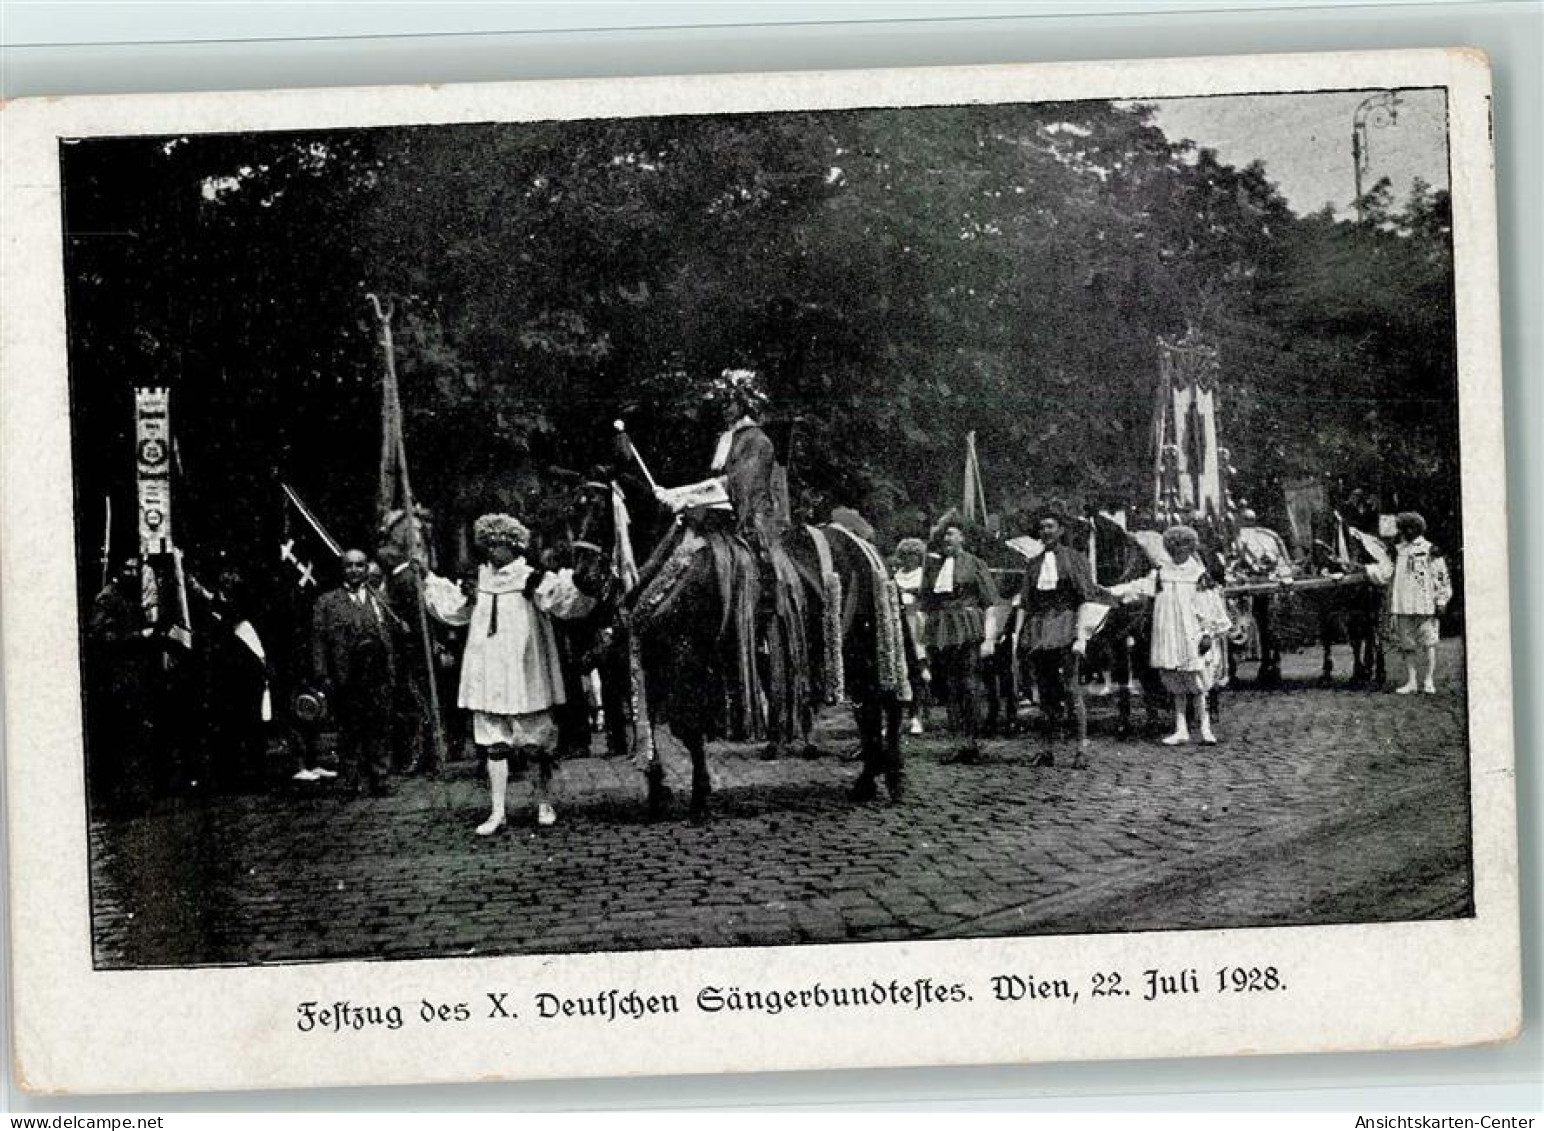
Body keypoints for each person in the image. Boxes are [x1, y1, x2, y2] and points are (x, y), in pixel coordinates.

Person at [424, 513, 596, 834]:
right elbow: (453, 610)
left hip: (525, 670)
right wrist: (429, 584)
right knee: (494, 742)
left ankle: (544, 802)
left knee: (536, 741)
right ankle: (497, 810)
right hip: (488, 670)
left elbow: (567, 603)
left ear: (516, 547)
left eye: (500, 544)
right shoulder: (476, 580)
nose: (493, 550)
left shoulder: (532, 579)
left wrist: (583, 584)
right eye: (488, 544)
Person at [1116, 525, 1233, 745]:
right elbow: (1138, 588)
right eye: (1174, 546)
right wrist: (1111, 591)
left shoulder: (1198, 575)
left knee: (1197, 681)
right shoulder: (1161, 573)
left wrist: (1208, 632)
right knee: (1175, 681)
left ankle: (1205, 728)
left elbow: (1209, 606)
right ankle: (1181, 729)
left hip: (1191, 633)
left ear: (1191, 548)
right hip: (1169, 633)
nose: (1179, 550)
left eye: (1184, 545)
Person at [1015, 511, 1115, 764]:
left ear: (1060, 530)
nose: (1046, 531)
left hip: (1067, 624)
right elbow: (1026, 603)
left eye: (1050, 527)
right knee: (1046, 691)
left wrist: (1081, 635)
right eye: (1042, 528)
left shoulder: (1074, 559)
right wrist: (1020, 636)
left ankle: (1081, 748)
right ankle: (1047, 748)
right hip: (1039, 628)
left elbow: (1085, 598)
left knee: (1071, 688)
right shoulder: (1034, 564)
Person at [311, 549, 396, 797]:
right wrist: (322, 674)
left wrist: (391, 672)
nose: (355, 571)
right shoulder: (327, 602)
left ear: (366, 568)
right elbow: (318, 641)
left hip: (376, 676)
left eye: (360, 566)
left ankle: (380, 777)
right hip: (345, 677)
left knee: (379, 727)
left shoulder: (379, 600)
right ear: (342, 569)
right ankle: (351, 779)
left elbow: (388, 639)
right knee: (350, 730)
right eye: (349, 566)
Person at [920, 522, 999, 764]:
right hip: (943, 629)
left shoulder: (975, 564)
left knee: (969, 684)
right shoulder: (933, 567)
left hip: (968, 627)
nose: (947, 538)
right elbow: (927, 603)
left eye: (951, 534)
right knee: (950, 686)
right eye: (944, 535)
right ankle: (957, 741)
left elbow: (990, 603)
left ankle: (972, 742)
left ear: (962, 538)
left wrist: (989, 639)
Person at [1365, 511, 1452, 694]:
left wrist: (1442, 599)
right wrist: (1368, 570)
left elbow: (1441, 576)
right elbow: (1386, 574)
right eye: (1405, 528)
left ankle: (1428, 681)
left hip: (1425, 604)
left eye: (1412, 528)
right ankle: (1411, 681)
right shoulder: (1398, 551)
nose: (1408, 531)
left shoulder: (1430, 549)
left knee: (1429, 643)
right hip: (1403, 605)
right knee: (1407, 645)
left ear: (1419, 529)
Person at [377, 536, 440, 777]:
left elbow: (416, 620)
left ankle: (428, 756)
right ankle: (424, 755)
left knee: (420, 705)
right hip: (410, 652)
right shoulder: (397, 578)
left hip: (413, 653)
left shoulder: (404, 580)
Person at [892, 537, 931, 735]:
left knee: (917, 669)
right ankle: (896, 717)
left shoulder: (923, 575)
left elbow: (925, 596)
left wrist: (907, 591)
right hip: (898, 623)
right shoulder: (896, 574)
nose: (909, 559)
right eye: (906, 555)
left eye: (914, 555)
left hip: (916, 623)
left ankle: (917, 716)